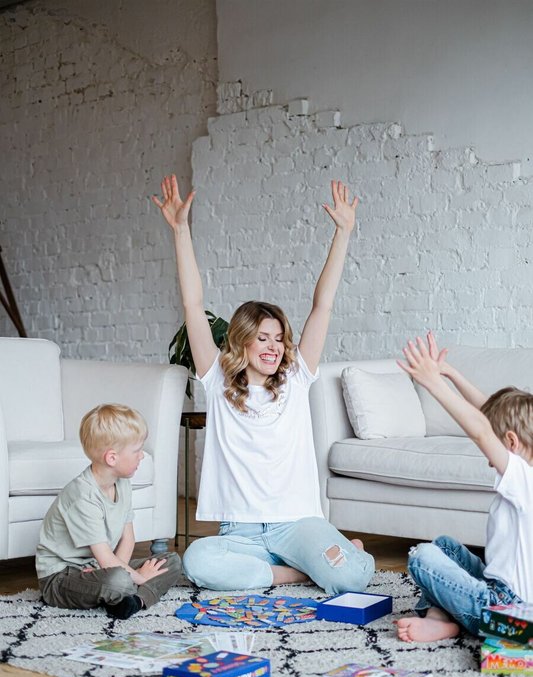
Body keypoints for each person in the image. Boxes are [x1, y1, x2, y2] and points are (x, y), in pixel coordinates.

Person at [152, 174, 375, 593]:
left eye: (278, 338)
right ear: (242, 340)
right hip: (242, 532)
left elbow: (322, 305)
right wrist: (181, 231)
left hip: (297, 523)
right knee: (197, 561)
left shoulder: (295, 377)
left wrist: (343, 233)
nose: (273, 347)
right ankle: (296, 573)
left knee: (352, 576)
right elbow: (193, 305)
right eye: (263, 338)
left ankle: (326, 556)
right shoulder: (217, 380)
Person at [394, 332, 532, 642]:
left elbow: (482, 430)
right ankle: (441, 620)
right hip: (499, 589)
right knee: (445, 546)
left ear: (511, 442)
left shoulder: (524, 477)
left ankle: (445, 618)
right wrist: (451, 373)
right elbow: (489, 415)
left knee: (423, 557)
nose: (487, 453)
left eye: (494, 445)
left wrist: (434, 384)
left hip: (505, 611)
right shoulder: (526, 466)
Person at [36, 404, 182, 619]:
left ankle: (135, 601)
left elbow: (128, 539)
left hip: (100, 567)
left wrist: (115, 571)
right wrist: (138, 578)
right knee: (119, 581)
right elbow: (105, 557)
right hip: (62, 577)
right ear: (112, 458)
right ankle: (127, 592)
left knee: (171, 561)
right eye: (137, 450)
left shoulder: (122, 483)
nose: (142, 456)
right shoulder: (82, 496)